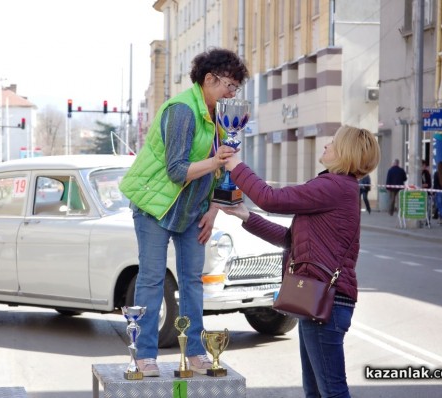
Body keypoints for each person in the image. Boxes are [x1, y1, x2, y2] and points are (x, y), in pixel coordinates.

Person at [216, 125, 380, 398]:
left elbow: (271, 198)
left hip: (325, 301)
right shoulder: (338, 188)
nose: (326, 145)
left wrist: (235, 165)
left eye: (333, 142)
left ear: (346, 152)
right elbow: (290, 240)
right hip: (319, 299)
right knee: (316, 391)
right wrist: (246, 216)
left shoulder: (334, 186)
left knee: (331, 391)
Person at [118, 48, 249, 376]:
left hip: (193, 211)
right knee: (151, 278)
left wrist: (214, 209)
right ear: (209, 79)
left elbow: (221, 174)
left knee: (192, 280)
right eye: (229, 86)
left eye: (236, 89)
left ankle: (195, 353)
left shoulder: (219, 116)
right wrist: (217, 159)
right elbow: (178, 170)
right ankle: (145, 356)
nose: (232, 94)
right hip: (155, 208)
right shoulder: (182, 110)